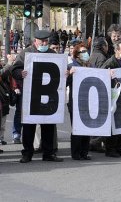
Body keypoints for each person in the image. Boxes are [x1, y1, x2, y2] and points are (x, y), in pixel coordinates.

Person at [12, 30, 63, 163]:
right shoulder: (26, 53)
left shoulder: (52, 54)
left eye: (46, 41)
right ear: (35, 41)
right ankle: (27, 153)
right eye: (42, 41)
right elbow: (15, 68)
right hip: (31, 96)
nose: (45, 43)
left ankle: (48, 153)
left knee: (48, 126)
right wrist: (19, 73)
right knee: (29, 126)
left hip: (48, 96)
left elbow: (60, 70)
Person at [101, 40, 121, 158]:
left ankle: (120, 147)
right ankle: (110, 149)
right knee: (113, 126)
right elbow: (101, 77)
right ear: (116, 51)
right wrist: (108, 75)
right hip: (114, 98)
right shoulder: (110, 63)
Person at [67, 43, 92, 160]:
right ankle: (76, 153)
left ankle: (84, 152)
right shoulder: (71, 66)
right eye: (83, 52)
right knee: (77, 127)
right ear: (77, 55)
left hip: (87, 100)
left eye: (86, 51)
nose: (85, 53)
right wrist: (69, 74)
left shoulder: (89, 66)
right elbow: (64, 83)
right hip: (75, 101)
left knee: (86, 127)